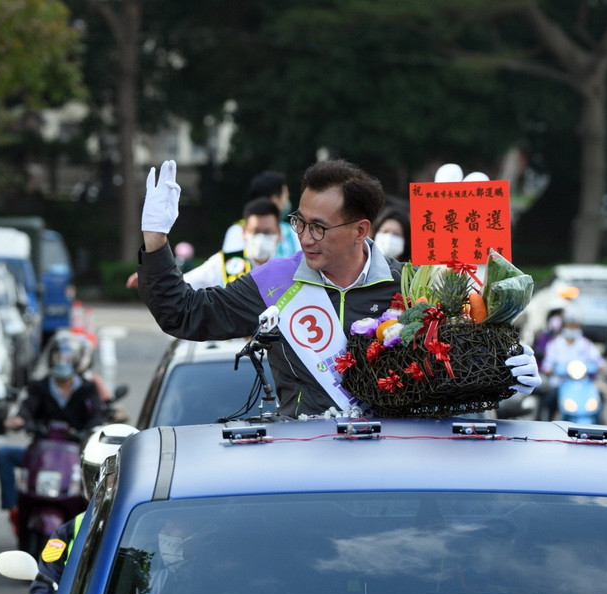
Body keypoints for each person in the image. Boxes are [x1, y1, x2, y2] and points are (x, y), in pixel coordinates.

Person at [135, 158, 541, 418]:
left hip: (389, 472)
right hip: (299, 465)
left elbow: (452, 381)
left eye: (319, 227)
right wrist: (155, 241)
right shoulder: (275, 281)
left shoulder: (411, 286)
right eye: (299, 222)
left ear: (361, 230)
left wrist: (506, 372)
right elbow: (184, 314)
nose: (305, 237)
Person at [16, 423, 137, 594]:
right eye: (99, 479)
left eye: (120, 480)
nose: (109, 490)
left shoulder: (155, 528)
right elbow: (47, 577)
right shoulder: (68, 532)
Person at [0, 338, 106, 529]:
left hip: (74, 457)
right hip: (42, 455)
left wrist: (89, 430)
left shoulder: (88, 388)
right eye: (58, 357)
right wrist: (19, 419)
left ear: (77, 360)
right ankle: (13, 508)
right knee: (3, 454)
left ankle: (95, 523)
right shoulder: (39, 386)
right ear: (50, 359)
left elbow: (96, 416)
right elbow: (27, 407)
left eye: (68, 357)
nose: (62, 362)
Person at [126, 197, 282, 290]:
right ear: (244, 233)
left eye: (267, 232)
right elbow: (186, 282)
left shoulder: (290, 266)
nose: (261, 238)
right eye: (256, 232)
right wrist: (156, 278)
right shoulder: (227, 263)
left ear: (279, 234)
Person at [221, 169, 301, 259]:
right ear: (274, 199)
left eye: (268, 232)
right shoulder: (237, 232)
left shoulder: (291, 232)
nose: (287, 203)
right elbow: (232, 267)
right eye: (285, 197)